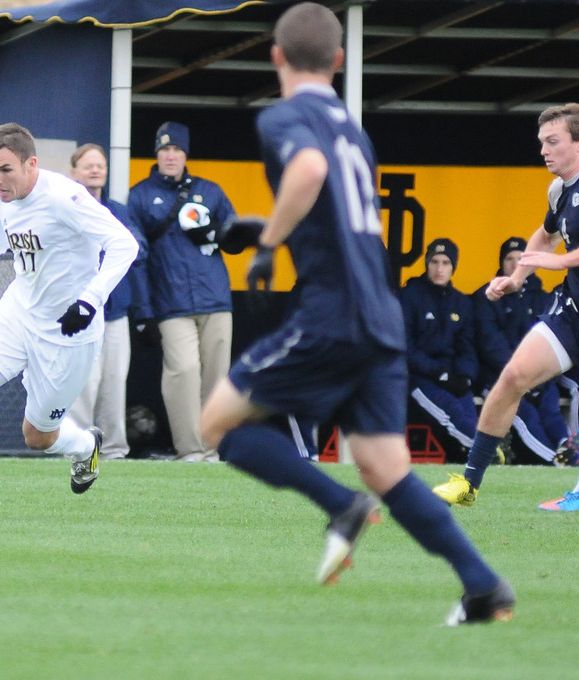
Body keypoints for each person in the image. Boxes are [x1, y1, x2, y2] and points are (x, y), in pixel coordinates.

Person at [198, 2, 514, 624]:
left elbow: (309, 171)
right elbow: (335, 214)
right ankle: (484, 587)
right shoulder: (355, 130)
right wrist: (272, 229)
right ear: (339, 62)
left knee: (216, 427)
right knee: (387, 469)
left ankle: (338, 504)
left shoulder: (285, 116)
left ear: (276, 58)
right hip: (381, 316)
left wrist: (265, 248)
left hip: (331, 316)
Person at [0, 123, 138, 496]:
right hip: (18, 312)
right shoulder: (4, 197)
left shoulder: (66, 198)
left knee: (37, 436)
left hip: (69, 332)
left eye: (5, 170)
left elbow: (124, 244)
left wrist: (89, 300)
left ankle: (86, 446)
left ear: (31, 163)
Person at [433, 103, 579, 511]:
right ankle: (469, 484)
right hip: (572, 310)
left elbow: (560, 254)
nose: (544, 151)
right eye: (541, 143)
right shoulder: (559, 189)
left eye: (553, 141)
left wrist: (561, 262)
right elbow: (546, 237)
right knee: (513, 376)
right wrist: (517, 279)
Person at [128, 121, 236, 462]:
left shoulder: (211, 190)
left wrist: (214, 232)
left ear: (185, 153)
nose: (170, 155)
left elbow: (236, 241)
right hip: (170, 301)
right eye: (164, 149)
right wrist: (144, 311)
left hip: (215, 297)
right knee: (184, 372)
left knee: (217, 377)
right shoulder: (141, 194)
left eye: (176, 149)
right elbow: (137, 257)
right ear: (156, 154)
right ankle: (191, 450)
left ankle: (214, 449)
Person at [65, 143, 148, 460]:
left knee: (114, 383)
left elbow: (139, 249)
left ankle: (114, 450)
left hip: (115, 313)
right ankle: (77, 448)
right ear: (73, 171)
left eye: (100, 165)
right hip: (80, 313)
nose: (96, 170)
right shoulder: (67, 208)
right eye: (88, 165)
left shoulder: (119, 210)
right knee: (84, 384)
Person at [472, 237, 568, 465]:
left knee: (550, 408)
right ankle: (556, 461)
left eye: (521, 258)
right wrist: (524, 374)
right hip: (503, 376)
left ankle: (567, 448)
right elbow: (490, 344)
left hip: (539, 377)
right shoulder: (488, 295)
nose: (515, 264)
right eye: (509, 259)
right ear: (501, 262)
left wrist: (538, 376)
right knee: (527, 416)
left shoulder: (543, 296)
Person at [400, 238, 479, 461]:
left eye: (446, 262)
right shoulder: (409, 296)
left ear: (453, 267)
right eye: (434, 261)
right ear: (427, 263)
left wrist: (465, 376)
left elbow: (467, 346)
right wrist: (438, 373)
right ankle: (489, 455)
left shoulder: (461, 302)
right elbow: (404, 347)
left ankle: (475, 464)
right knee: (453, 413)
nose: (439, 268)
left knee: (469, 416)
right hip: (418, 379)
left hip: (452, 377)